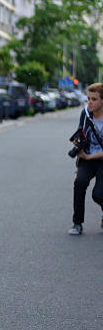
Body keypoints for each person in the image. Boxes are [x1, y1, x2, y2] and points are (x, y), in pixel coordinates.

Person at [68, 83, 103, 235]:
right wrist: (77, 142)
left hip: (101, 160)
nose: (90, 102)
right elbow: (80, 131)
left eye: (94, 99)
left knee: (99, 194)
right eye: (88, 98)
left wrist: (89, 156)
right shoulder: (86, 114)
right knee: (80, 183)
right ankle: (77, 223)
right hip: (87, 158)